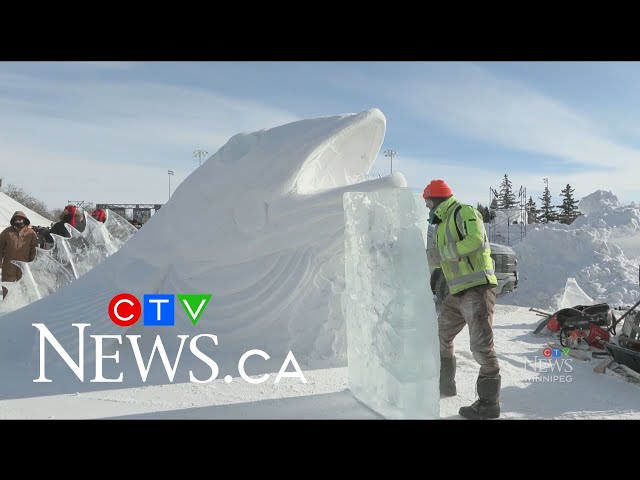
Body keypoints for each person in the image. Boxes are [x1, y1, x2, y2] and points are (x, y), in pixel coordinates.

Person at [423, 179, 501, 420]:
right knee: (441, 335)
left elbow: (475, 240)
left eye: (427, 202)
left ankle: (489, 405)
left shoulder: (463, 211)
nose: (426, 207)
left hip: (477, 289)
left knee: (480, 347)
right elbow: (439, 258)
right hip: (457, 293)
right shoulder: (441, 223)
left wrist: (442, 254)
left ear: (435, 199)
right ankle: (445, 384)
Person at [0, 211, 38, 299]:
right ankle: (7, 306)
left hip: (24, 265)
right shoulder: (7, 232)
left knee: (25, 287)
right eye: (16, 220)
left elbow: (34, 249)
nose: (18, 221)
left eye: (20, 219)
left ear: (24, 220)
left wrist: (32, 264)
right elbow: (0, 247)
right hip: (9, 265)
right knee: (7, 287)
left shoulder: (31, 233)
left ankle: (24, 307)